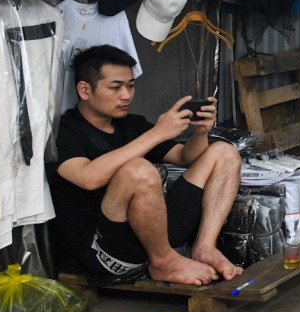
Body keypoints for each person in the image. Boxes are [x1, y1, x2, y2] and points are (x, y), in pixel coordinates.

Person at [48, 45, 245, 285]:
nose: (126, 95)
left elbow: (185, 158)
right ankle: (163, 262)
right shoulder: (65, 131)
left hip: (151, 235)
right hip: (103, 250)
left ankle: (204, 247)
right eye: (115, 87)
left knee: (224, 152)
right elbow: (88, 178)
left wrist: (200, 133)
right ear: (84, 90)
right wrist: (156, 134)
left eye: (130, 86)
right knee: (138, 170)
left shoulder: (132, 124)